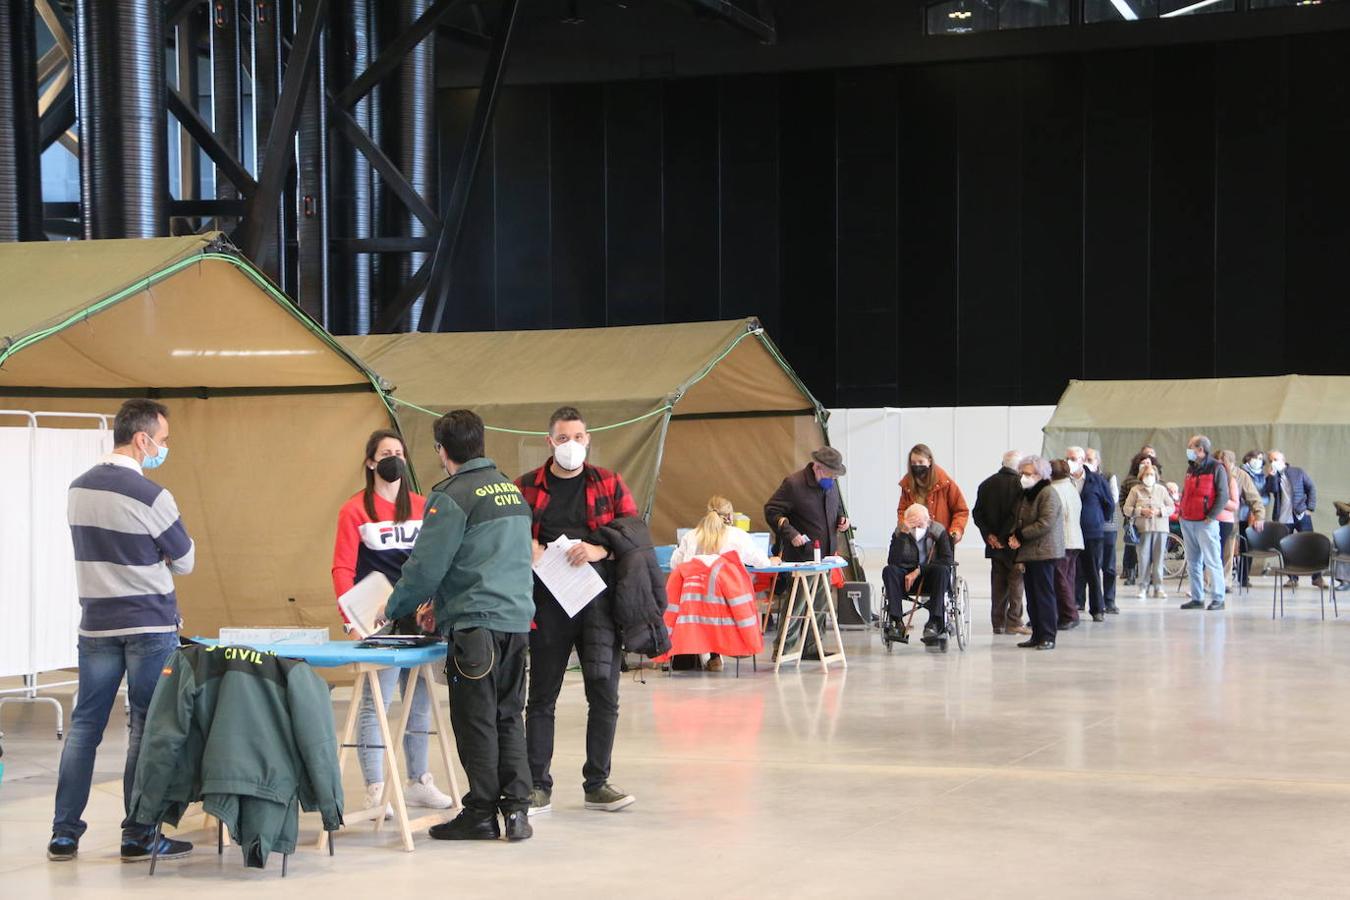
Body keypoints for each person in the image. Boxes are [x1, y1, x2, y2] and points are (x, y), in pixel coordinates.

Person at [49, 400, 196, 863]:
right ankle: (138, 834)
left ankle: (64, 833)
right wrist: (157, 556)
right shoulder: (152, 496)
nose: (163, 448)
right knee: (144, 729)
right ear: (142, 439)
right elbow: (186, 560)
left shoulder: (77, 489)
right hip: (150, 625)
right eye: (163, 440)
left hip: (95, 626)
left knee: (83, 729)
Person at [381, 410, 535, 842]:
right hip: (516, 622)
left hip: (476, 629)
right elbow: (489, 560)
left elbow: (426, 567)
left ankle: (482, 814)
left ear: (441, 451)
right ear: (482, 442)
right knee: (509, 716)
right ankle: (518, 812)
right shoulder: (511, 492)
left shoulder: (452, 495)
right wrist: (442, 605)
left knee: (476, 721)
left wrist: (393, 608)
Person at [516, 407, 640, 816]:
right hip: (547, 604)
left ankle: (597, 783)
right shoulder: (526, 487)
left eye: (580, 437)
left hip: (598, 605)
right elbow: (503, 534)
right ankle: (537, 785)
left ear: (588, 439)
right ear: (550, 441)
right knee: (541, 698)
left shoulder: (608, 481)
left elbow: (634, 531)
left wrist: (601, 548)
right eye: (565, 438)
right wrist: (525, 548)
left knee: (604, 695)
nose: (573, 445)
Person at [331, 430, 453, 816]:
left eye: (399, 453)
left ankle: (419, 781)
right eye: (386, 453)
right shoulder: (354, 510)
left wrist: (433, 607)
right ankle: (375, 788)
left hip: (417, 619)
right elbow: (342, 568)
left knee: (417, 704)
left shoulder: (422, 506)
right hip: (375, 622)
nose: (393, 459)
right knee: (376, 705)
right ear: (371, 462)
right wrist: (350, 620)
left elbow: (434, 563)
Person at [669, 496, 775, 671]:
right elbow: (761, 562)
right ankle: (717, 655)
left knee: (702, 604)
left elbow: (675, 565)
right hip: (729, 608)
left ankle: (706, 655)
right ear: (731, 517)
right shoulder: (738, 535)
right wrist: (774, 561)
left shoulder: (691, 535)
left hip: (693, 608)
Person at [764, 447, 850, 657]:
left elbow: (837, 506)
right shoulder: (794, 484)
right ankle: (783, 649)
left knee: (819, 605)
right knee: (797, 605)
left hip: (826, 556)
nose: (833, 479)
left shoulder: (830, 484)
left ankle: (812, 646)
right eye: (831, 474)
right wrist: (790, 532)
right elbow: (771, 510)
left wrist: (842, 520)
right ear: (818, 468)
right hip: (802, 556)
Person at [1008, 455, 1063, 651]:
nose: (1024, 477)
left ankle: (1048, 636)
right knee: (1032, 595)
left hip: (1044, 552)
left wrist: (1020, 535)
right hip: (1030, 552)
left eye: (1028, 474)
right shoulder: (1028, 492)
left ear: (1040, 475)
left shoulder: (1048, 493)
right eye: (1022, 473)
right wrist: (1014, 535)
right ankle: (1037, 635)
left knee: (1044, 595)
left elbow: (1045, 522)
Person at [881, 505, 955, 649]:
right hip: (906, 578)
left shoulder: (938, 531)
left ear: (928, 521)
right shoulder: (900, 531)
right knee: (889, 570)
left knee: (942, 570)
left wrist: (919, 571)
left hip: (931, 578)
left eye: (919, 524)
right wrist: (903, 534)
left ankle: (935, 622)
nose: (916, 528)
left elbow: (947, 560)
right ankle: (897, 621)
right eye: (912, 524)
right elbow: (893, 561)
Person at [972, 450, 1029, 635]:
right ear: (1019, 467)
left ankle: (998, 623)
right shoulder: (1021, 486)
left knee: (998, 584)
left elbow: (977, 513)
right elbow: (1017, 515)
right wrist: (1006, 538)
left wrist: (990, 536)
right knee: (1016, 584)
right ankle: (1014, 621)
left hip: (994, 545)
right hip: (1014, 544)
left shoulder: (986, 484)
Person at [1178, 435, 1229, 611]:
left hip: (1205, 522)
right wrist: (1181, 513)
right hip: (1187, 520)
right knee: (1193, 562)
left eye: (1190, 447)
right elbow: (1186, 492)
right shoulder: (1191, 468)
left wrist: (1211, 516)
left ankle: (1218, 598)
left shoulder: (1216, 468)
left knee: (1212, 561)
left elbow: (1223, 495)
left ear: (1200, 450)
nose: (1188, 451)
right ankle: (1197, 598)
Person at [1066, 446, 1115, 622]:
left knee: (1093, 571)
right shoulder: (1063, 480)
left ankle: (1097, 609)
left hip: (1092, 533)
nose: (1069, 461)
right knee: (1070, 572)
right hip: (1069, 532)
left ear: (1081, 460)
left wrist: (1097, 519)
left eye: (1073, 458)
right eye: (1067, 458)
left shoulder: (1096, 480)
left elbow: (1109, 504)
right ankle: (1071, 607)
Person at [1267, 449, 1322, 588]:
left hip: (1301, 514)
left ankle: (1317, 577)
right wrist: (1272, 476)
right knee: (1286, 548)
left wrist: (1310, 508)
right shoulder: (1273, 476)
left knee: (1311, 545)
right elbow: (1271, 490)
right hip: (1284, 517)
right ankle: (1292, 578)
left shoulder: (1298, 472)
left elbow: (1311, 488)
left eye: (1276, 459)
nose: (1273, 462)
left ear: (1283, 460)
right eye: (1271, 460)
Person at [897, 443, 969, 544]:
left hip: (941, 541)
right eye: (913, 463)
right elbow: (902, 510)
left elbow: (961, 510)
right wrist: (903, 526)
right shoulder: (907, 485)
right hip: (913, 541)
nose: (917, 466)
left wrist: (956, 531)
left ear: (929, 461)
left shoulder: (945, 483)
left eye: (921, 462)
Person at [1122, 460, 1173, 599]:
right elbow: (1126, 509)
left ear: (1155, 476)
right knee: (1143, 559)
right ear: (1141, 476)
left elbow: (1171, 507)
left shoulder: (1161, 490)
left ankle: (1159, 587)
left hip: (1160, 528)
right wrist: (1140, 511)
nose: (1149, 477)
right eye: (1146, 474)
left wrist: (1160, 511)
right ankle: (1143, 587)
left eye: (1151, 474)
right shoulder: (1135, 490)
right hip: (1142, 529)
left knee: (1158, 560)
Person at [1049, 459, 1084, 630]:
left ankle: (1069, 614)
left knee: (1060, 579)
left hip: (1062, 541)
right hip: (1075, 539)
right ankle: (1064, 614)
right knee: (1068, 578)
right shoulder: (1071, 487)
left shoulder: (1053, 490)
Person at [1085, 448, 1121, 615]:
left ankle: (1109, 601)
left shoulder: (1107, 477)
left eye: (1090, 459)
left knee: (1109, 566)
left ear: (1097, 461)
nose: (1086, 461)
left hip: (1107, 526)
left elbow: (1112, 500)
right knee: (1088, 567)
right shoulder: (1081, 479)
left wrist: (1099, 514)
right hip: (1089, 529)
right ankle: (1079, 601)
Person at [1119, 447, 1161, 586]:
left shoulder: (1156, 481)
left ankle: (1150, 576)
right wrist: (1130, 513)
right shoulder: (1129, 481)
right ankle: (1130, 574)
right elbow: (1122, 500)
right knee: (1131, 548)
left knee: (1149, 550)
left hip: (1152, 521)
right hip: (1132, 520)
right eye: (1143, 463)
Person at [1234, 450, 1268, 588]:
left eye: (1260, 458)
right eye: (1255, 457)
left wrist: (1257, 504)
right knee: (1237, 547)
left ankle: (1244, 577)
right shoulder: (1240, 473)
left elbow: (1264, 497)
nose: (1258, 460)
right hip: (1240, 514)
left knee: (1250, 547)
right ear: (1248, 458)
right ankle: (1232, 575)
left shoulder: (1262, 476)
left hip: (1254, 516)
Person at [1215, 450, 1243, 590]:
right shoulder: (1210, 478)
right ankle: (1209, 581)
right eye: (1217, 461)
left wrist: (1220, 501)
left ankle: (1225, 582)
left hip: (1227, 522)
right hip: (1210, 521)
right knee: (1212, 553)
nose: (1220, 464)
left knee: (1227, 554)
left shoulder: (1233, 479)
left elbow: (1235, 504)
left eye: (1223, 461)